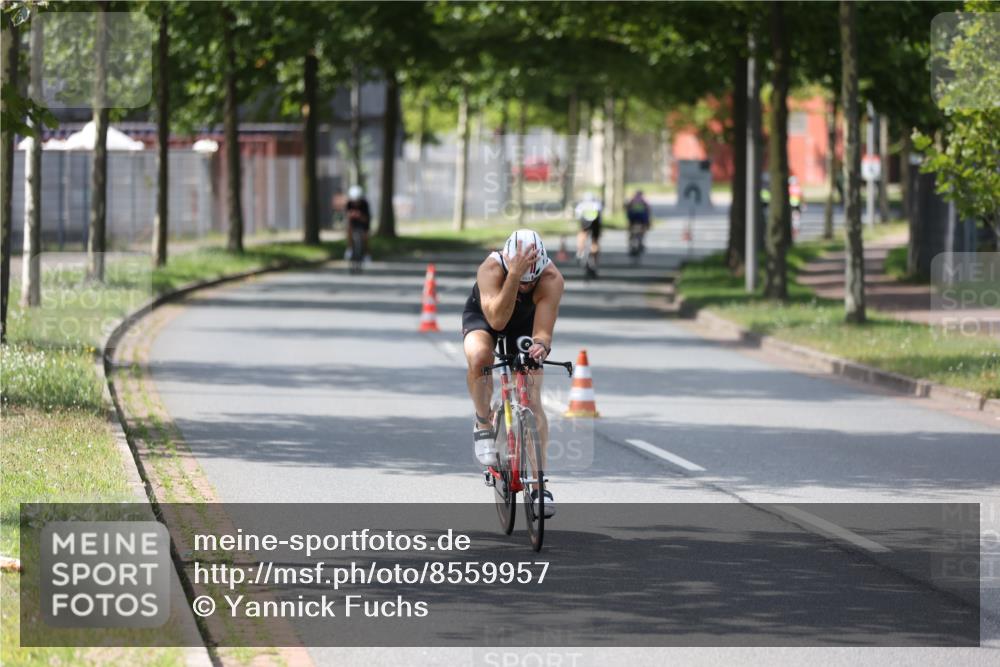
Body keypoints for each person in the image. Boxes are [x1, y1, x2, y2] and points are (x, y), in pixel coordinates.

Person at [462, 229, 565, 518]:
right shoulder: (491, 269)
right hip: (487, 313)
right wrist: (514, 277)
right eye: (524, 280)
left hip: (525, 322)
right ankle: (483, 423)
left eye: (530, 281)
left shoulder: (551, 279)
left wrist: (541, 346)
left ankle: (539, 483)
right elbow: (497, 319)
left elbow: (543, 331)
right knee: (480, 357)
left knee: (532, 396)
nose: (526, 286)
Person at [574, 191, 602, 272]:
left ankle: (580, 251)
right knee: (595, 241)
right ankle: (595, 260)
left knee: (582, 233)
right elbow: (600, 217)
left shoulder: (582, 205)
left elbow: (578, 215)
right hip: (595, 223)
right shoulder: (597, 204)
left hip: (584, 221)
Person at [344, 185, 371, 262]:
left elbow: (367, 218)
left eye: (357, 201)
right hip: (353, 222)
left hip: (363, 223)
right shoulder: (349, 203)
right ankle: (349, 249)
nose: (355, 203)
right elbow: (346, 215)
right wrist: (351, 215)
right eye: (354, 201)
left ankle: (367, 254)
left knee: (365, 237)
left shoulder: (365, 204)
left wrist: (360, 215)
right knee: (349, 231)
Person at [625, 189, 652, 257]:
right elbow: (648, 209)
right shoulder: (644, 200)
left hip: (633, 218)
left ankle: (631, 241)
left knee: (631, 229)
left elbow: (627, 208)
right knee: (643, 229)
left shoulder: (633, 199)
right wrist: (648, 221)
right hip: (642, 218)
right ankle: (640, 240)